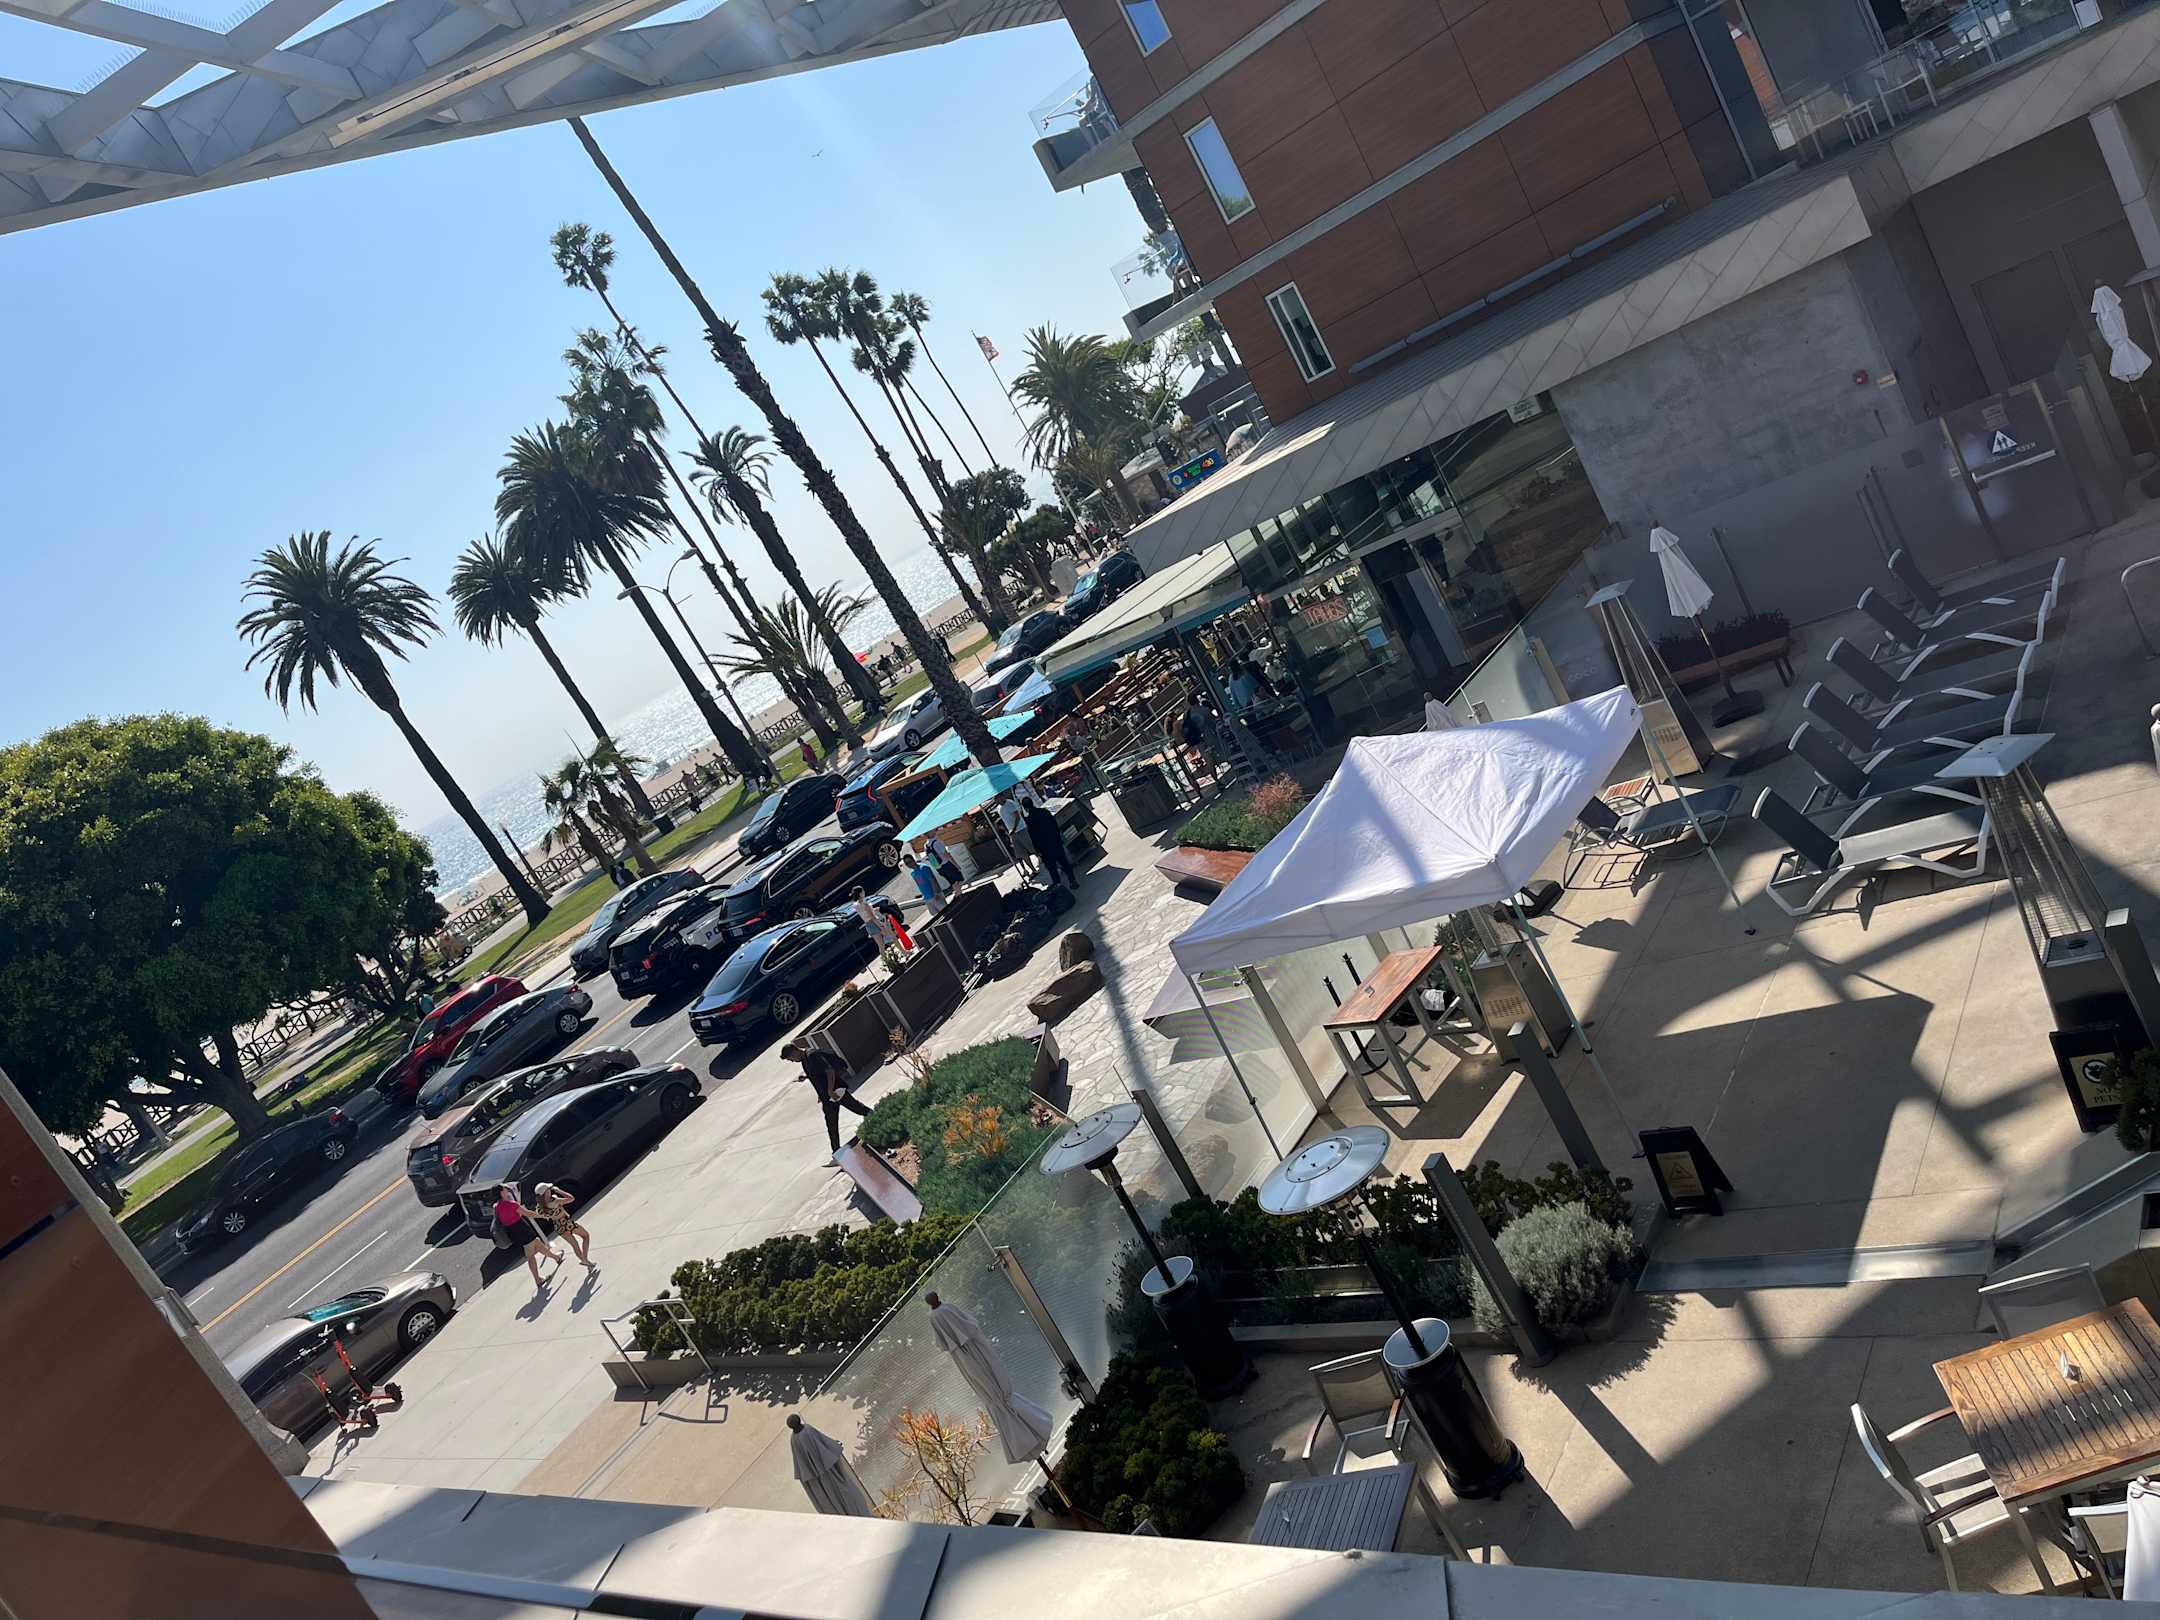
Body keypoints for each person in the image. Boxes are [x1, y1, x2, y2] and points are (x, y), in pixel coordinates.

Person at [784, 1038, 871, 1158]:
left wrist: (830, 1090)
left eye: (791, 1059)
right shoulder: (804, 1060)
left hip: (836, 1092)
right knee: (832, 1124)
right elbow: (817, 1075)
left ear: (795, 1052)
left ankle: (877, 1116)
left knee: (857, 1108)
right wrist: (814, 1086)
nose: (792, 1061)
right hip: (827, 1098)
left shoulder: (812, 1055)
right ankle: (836, 1152)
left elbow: (829, 1071)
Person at [493, 1183, 563, 1291]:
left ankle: (556, 1258)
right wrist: (543, 1215)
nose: (507, 1191)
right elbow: (528, 1214)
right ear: (501, 1193)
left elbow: (505, 1217)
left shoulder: (496, 1207)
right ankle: (538, 1280)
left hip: (513, 1232)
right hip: (522, 1229)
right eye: (505, 1189)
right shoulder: (511, 1204)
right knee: (530, 1255)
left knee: (538, 1244)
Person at [532, 1180, 595, 1271]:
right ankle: (585, 1259)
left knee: (575, 1245)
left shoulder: (540, 1207)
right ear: (546, 1193)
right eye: (549, 1189)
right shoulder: (555, 1201)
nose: (550, 1190)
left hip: (558, 1227)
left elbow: (540, 1214)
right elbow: (571, 1198)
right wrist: (558, 1190)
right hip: (567, 1223)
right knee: (585, 1236)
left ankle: (587, 1263)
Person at [1024, 798, 1077, 890]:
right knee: (1064, 862)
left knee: (1052, 868)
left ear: (1025, 808)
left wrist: (1037, 850)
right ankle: (1072, 880)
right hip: (1055, 841)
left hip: (1044, 847)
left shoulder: (1029, 820)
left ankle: (1059, 886)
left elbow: (1033, 837)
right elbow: (1055, 825)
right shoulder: (1045, 812)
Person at [850, 885, 912, 953]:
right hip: (876, 922)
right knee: (893, 937)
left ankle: (889, 958)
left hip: (869, 925)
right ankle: (904, 952)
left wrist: (873, 910)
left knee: (881, 945)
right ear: (860, 893)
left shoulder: (856, 905)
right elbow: (872, 916)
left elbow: (865, 913)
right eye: (863, 891)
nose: (864, 892)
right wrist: (881, 927)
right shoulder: (864, 903)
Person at [994, 794, 1033, 874]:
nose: (997, 800)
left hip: (1020, 829)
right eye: (995, 799)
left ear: (1002, 797)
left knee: (1031, 847)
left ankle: (1043, 858)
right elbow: (1005, 820)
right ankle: (1033, 869)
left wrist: (1014, 828)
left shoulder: (1010, 803)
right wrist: (1008, 830)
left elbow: (1017, 816)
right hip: (1012, 833)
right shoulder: (998, 808)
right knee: (1021, 853)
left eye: (998, 798)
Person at [909, 851, 946, 915]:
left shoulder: (924, 868)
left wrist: (936, 893)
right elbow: (920, 884)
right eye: (907, 863)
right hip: (927, 898)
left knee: (946, 912)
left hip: (935, 895)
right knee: (936, 916)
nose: (909, 864)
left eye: (910, 861)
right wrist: (924, 896)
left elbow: (932, 880)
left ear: (913, 860)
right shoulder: (913, 873)